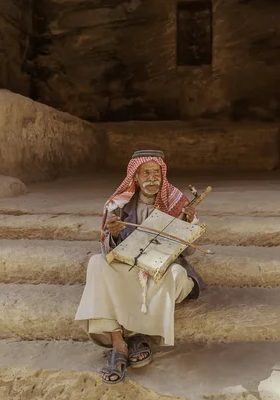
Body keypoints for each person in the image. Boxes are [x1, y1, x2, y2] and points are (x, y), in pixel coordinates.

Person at [75, 150, 205, 384]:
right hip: (131, 266)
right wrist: (113, 235)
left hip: (162, 268)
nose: (152, 178)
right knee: (97, 263)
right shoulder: (119, 205)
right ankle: (119, 343)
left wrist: (187, 225)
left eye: (157, 172)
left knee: (175, 274)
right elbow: (109, 250)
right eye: (146, 173)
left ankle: (136, 335)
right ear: (134, 177)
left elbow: (188, 252)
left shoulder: (177, 203)